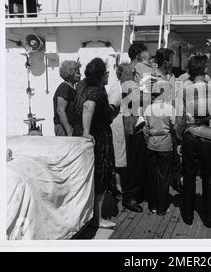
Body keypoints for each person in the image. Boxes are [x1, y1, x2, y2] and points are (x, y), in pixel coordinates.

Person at [177, 55, 211, 228]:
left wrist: (180, 138)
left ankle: (187, 215)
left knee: (189, 176)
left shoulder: (185, 90)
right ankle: (210, 217)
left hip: (190, 135)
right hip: (209, 136)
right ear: (204, 70)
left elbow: (180, 118)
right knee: (209, 177)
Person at [72, 58, 117, 228]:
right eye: (106, 73)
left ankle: (87, 216)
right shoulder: (97, 92)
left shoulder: (82, 88)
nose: (107, 76)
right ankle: (98, 219)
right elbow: (88, 107)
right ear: (100, 76)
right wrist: (86, 131)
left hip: (81, 140)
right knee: (100, 176)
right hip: (97, 140)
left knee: (85, 177)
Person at [152, 48, 183, 194]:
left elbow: (176, 99)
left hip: (172, 122)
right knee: (159, 158)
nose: (173, 62)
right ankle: (159, 189)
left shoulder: (173, 77)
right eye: (171, 59)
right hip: (158, 123)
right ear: (165, 62)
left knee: (175, 156)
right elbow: (147, 102)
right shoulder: (151, 78)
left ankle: (175, 182)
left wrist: (177, 119)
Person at [117, 62, 146, 212]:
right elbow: (137, 100)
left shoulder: (127, 85)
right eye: (131, 71)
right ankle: (130, 197)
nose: (134, 73)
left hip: (133, 126)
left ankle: (133, 193)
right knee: (133, 162)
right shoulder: (128, 84)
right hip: (132, 127)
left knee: (134, 161)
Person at [143, 91, 177, 215]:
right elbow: (175, 125)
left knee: (152, 176)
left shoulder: (148, 109)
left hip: (152, 143)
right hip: (165, 144)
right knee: (164, 177)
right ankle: (162, 208)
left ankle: (153, 205)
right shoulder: (169, 108)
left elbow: (146, 128)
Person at [53, 60, 81, 136]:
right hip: (64, 128)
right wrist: (68, 130)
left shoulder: (72, 88)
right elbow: (60, 110)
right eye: (78, 73)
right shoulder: (64, 87)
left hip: (71, 126)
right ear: (70, 73)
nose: (80, 75)